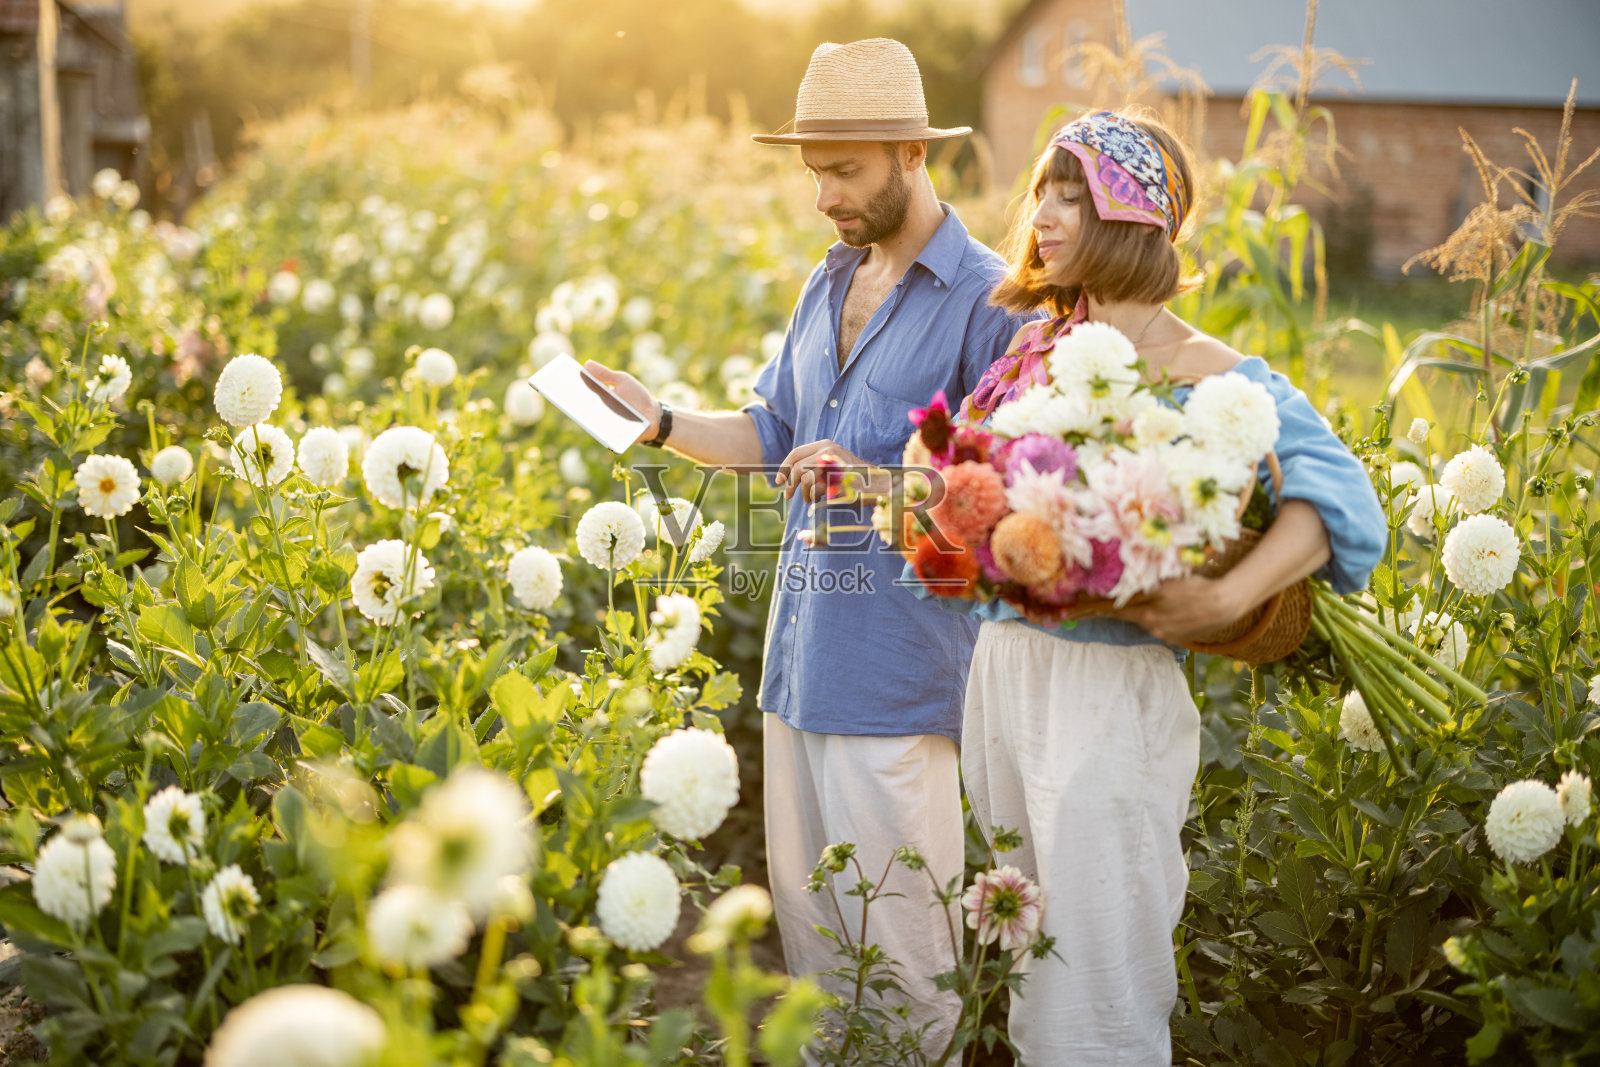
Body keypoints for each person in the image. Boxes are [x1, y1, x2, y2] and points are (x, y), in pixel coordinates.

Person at [582, 38, 1034, 1052]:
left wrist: (867, 478)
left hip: (898, 680)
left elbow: (999, 502)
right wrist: (660, 420)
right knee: (820, 970)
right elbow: (776, 432)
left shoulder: (989, 303)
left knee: (906, 972)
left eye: (846, 171)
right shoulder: (828, 282)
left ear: (913, 152)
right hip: (798, 670)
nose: (825, 196)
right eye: (813, 172)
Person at [949, 110, 1387, 1064]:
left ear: (1131, 215)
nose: (1042, 215)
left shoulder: (1204, 372)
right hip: (1004, 675)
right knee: (1034, 962)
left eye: (1072, 195)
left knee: (1100, 968)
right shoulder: (1031, 354)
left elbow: (1344, 502)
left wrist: (1230, 597)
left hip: (1107, 690)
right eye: (1042, 192)